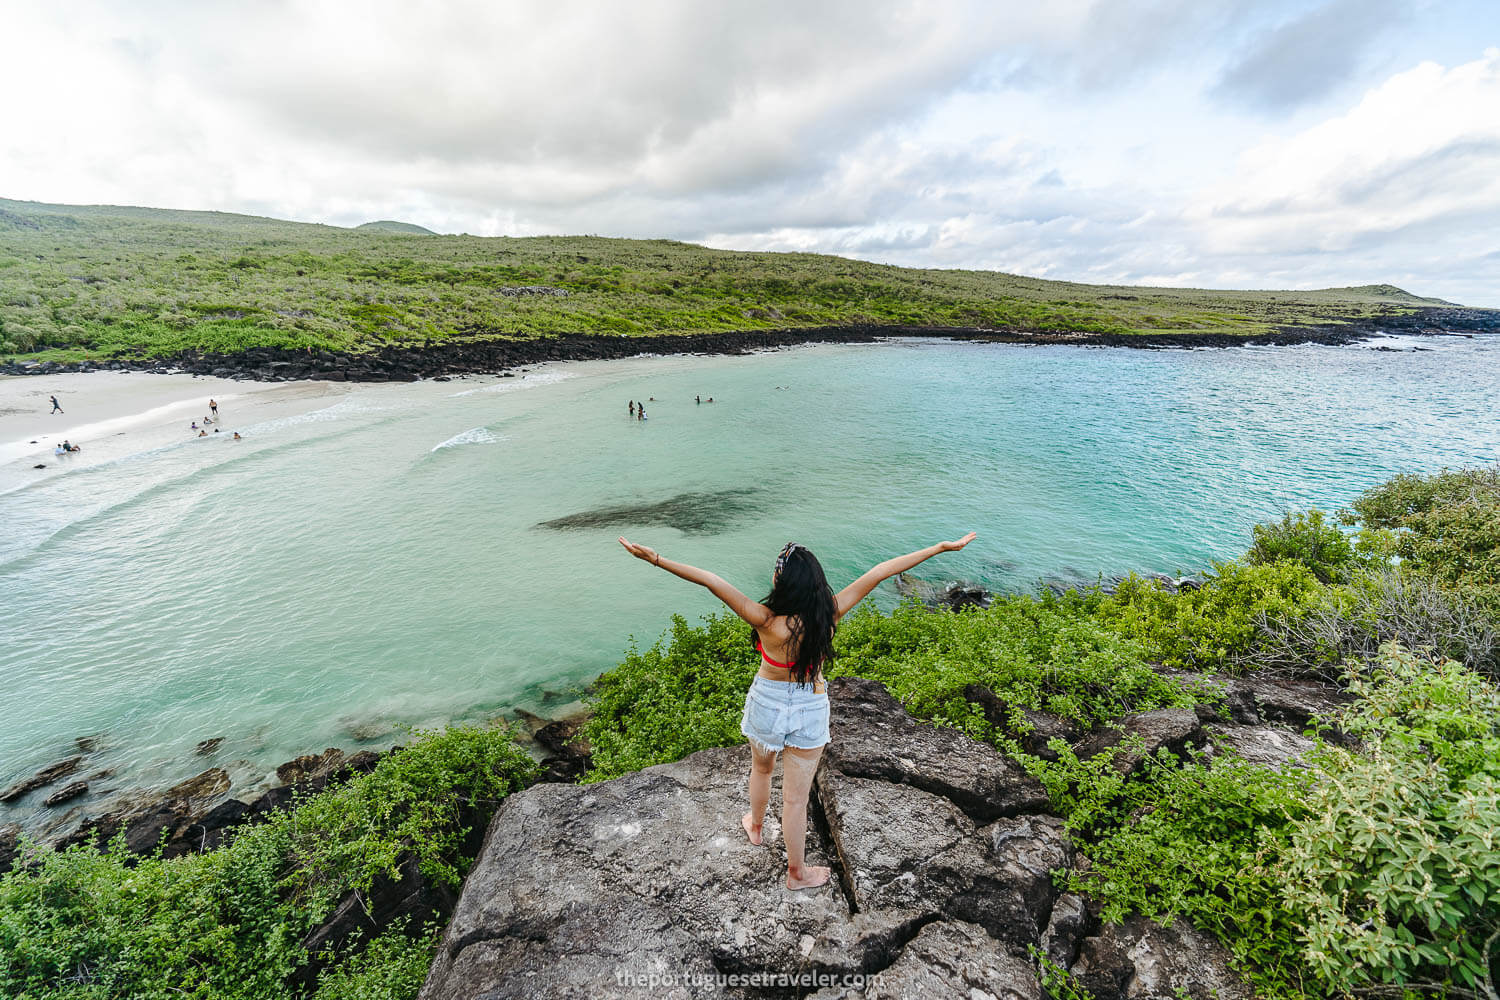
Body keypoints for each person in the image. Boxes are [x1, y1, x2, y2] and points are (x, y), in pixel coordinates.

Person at [618, 531, 977, 890]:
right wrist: (941, 547)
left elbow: (711, 580)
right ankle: (797, 873)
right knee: (795, 799)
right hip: (809, 707)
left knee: (761, 768)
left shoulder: (765, 620)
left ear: (782, 582)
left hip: (767, 703)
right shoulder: (829, 613)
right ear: (815, 582)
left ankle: (756, 826)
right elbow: (882, 571)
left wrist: (656, 559)